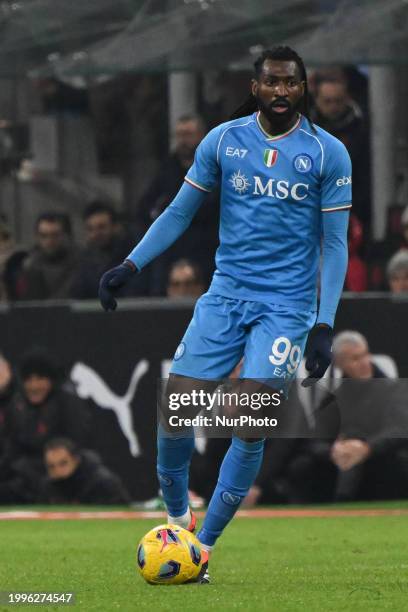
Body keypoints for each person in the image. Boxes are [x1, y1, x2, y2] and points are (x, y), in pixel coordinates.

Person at [99, 46, 351, 582]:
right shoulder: (223, 141)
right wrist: (131, 263)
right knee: (174, 417)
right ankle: (176, 522)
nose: (281, 92)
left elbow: (335, 245)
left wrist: (323, 323)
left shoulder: (328, 153)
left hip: (286, 309)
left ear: (302, 89)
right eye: (271, 83)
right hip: (224, 297)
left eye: (291, 84)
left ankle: (202, 549)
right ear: (255, 87)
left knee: (249, 425)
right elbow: (179, 211)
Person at [287, 331, 408, 503]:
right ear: (340, 364)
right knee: (302, 467)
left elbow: (400, 429)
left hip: (383, 458)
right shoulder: (334, 399)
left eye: (365, 355)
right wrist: (334, 451)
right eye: (355, 359)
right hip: (340, 462)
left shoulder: (394, 391)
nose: (364, 363)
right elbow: (313, 440)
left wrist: (367, 448)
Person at [137, 115, 219, 294]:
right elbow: (147, 207)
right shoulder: (167, 169)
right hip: (173, 247)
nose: (183, 140)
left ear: (202, 136)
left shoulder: (216, 167)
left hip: (206, 248)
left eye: (188, 134)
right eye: (180, 135)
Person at [311, 76, 370, 227]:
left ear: (347, 99)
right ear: (317, 101)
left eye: (338, 101)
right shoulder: (306, 130)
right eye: (327, 101)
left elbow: (364, 175)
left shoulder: (361, 128)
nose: (333, 106)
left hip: (353, 209)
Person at [71, 201, 147, 299]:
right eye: (90, 229)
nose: (96, 234)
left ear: (116, 227)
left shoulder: (134, 257)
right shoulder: (84, 262)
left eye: (101, 227)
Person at [40, 438, 130, 505]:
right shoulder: (48, 485)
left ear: (76, 460)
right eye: (51, 466)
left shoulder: (102, 481)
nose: (57, 470)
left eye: (63, 463)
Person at [17, 212, 78, 300]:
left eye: (55, 235)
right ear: (37, 237)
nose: (50, 241)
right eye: (44, 236)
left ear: (64, 236)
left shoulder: (79, 262)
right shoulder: (28, 265)